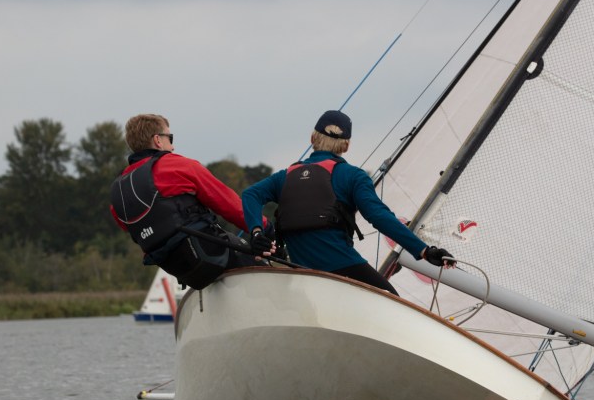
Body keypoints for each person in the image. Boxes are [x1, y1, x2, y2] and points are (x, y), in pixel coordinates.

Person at [242, 110, 452, 295]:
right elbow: (379, 216)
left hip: (300, 270)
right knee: (394, 304)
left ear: (312, 138)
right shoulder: (353, 176)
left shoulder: (284, 177)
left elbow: (250, 195)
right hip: (342, 266)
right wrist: (424, 251)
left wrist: (257, 233)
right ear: (346, 145)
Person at [110, 114, 266, 289]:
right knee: (259, 262)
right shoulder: (175, 165)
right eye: (170, 138)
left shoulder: (118, 190)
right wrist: (264, 228)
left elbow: (129, 226)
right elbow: (228, 204)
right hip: (208, 253)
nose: (173, 146)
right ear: (158, 140)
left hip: (179, 269)